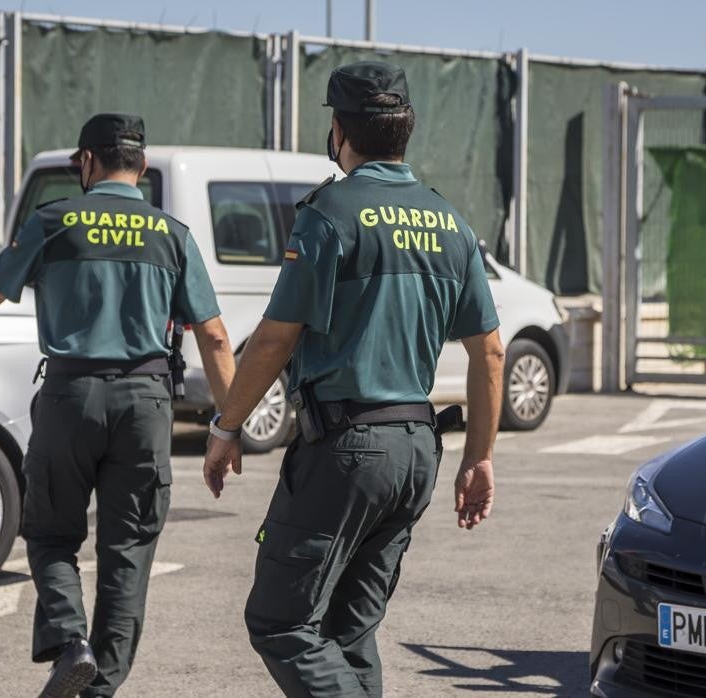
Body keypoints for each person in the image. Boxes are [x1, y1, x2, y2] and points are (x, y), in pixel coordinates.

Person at [201, 62, 506, 697]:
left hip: (345, 450)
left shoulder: (330, 212)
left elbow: (276, 338)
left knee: (281, 622)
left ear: (340, 130)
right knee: (348, 629)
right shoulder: (451, 224)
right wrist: (479, 458)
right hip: (417, 450)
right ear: (406, 130)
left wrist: (227, 424)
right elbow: (492, 354)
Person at [0, 113, 236, 698]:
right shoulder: (172, 235)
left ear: (87, 162)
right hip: (147, 402)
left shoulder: (53, 221)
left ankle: (70, 641)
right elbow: (213, 337)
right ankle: (99, 687)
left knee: (52, 534)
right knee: (129, 551)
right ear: (139, 163)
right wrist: (227, 428)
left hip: (69, 398)